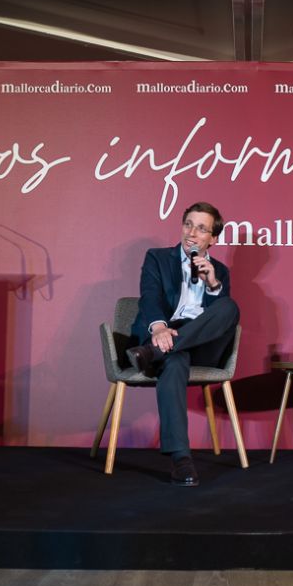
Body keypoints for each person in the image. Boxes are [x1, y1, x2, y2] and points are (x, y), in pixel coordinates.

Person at [125, 201, 239, 486]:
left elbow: (219, 320)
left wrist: (213, 284)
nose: (192, 233)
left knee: (229, 307)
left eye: (201, 229)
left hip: (202, 345)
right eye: (188, 224)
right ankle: (181, 460)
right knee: (175, 362)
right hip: (166, 336)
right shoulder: (158, 258)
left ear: (213, 239)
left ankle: (150, 353)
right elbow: (149, 296)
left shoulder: (220, 271)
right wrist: (159, 327)